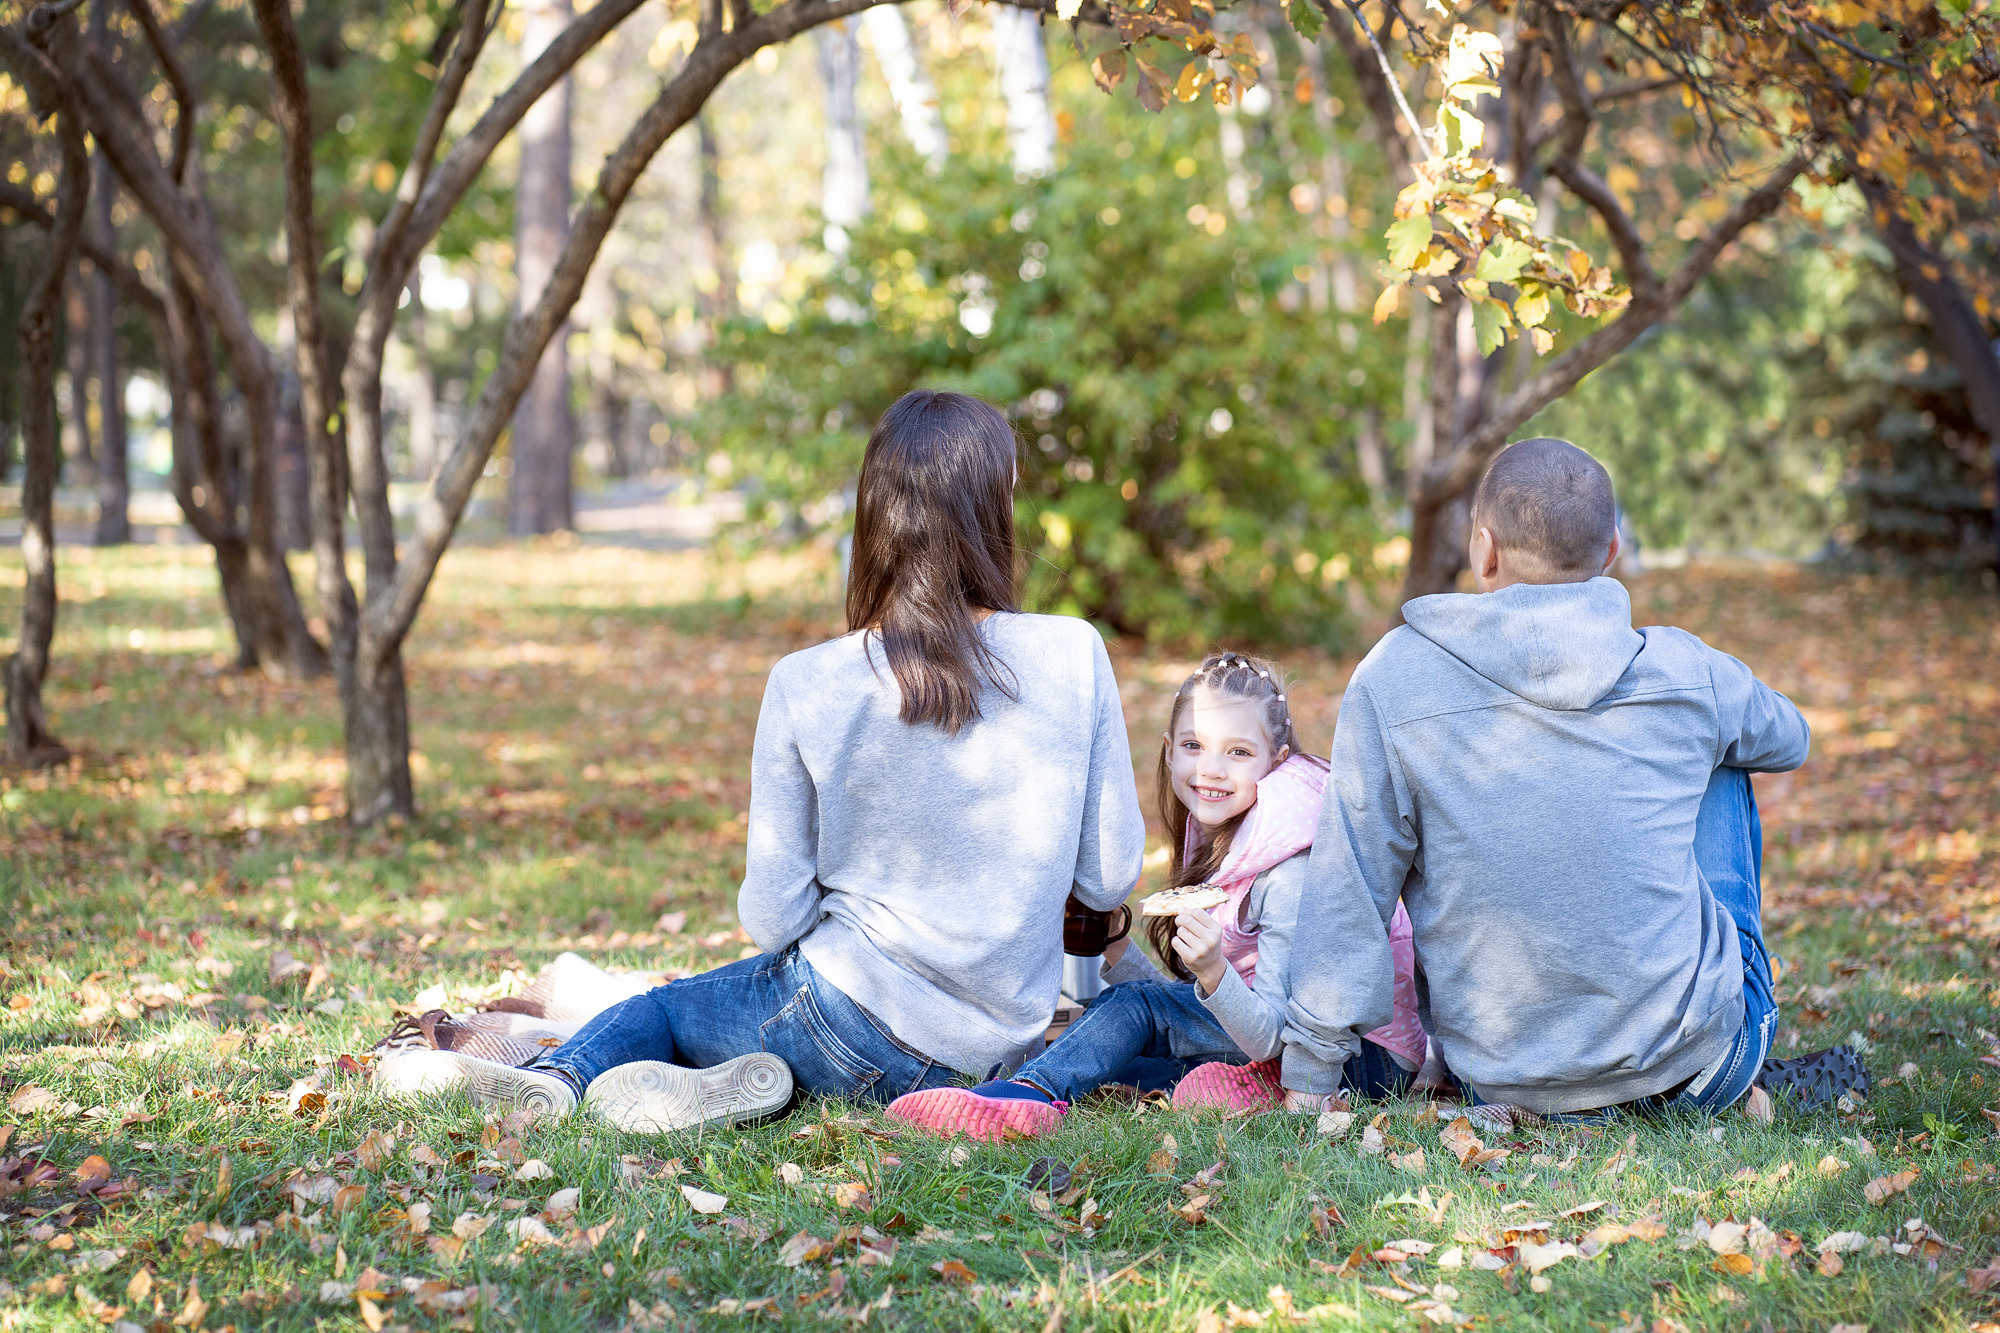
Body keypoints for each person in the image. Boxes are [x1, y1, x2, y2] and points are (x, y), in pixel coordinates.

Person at [376, 390, 1148, 1132]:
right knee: (733, 1008)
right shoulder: (1072, 653)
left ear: (876, 515)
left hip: (837, 1018)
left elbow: (772, 916)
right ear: (996, 505)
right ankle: (740, 1088)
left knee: (663, 1011)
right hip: (988, 1057)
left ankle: (557, 1082)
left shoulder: (807, 681)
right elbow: (1109, 877)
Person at [1276, 437, 1866, 1120]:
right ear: (1611, 550)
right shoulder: (1682, 669)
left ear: (1484, 548)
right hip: (1696, 1064)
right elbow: (1789, 737)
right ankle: (1717, 1073)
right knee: (1725, 750)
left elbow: (1351, 883)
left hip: (1503, 1080)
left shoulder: (1393, 678)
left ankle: (1612, 1080)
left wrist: (1312, 1071)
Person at [886, 652, 1427, 1141]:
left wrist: (1213, 971)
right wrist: (1118, 953)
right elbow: (1189, 1010)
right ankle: (1224, 1092)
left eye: (1238, 752)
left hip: (1357, 1065)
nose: (1210, 769)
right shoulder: (1232, 834)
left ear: (1277, 760)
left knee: (1132, 1009)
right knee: (1108, 1047)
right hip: (1285, 1046)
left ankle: (1026, 1099)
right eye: (1194, 746)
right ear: (1169, 754)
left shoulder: (1289, 871)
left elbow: (1270, 1036)